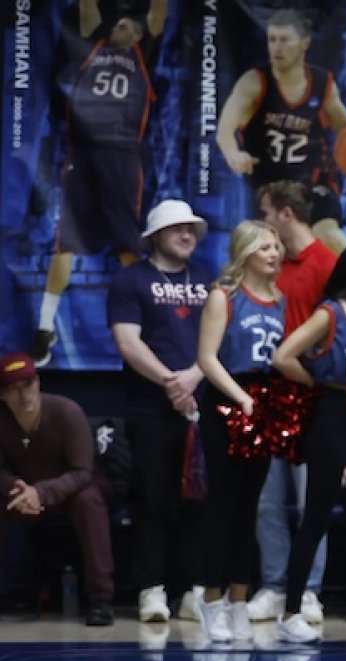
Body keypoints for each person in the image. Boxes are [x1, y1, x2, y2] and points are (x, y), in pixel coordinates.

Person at [33, 0, 168, 365]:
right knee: (65, 245)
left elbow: (158, 11)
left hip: (122, 155)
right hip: (83, 155)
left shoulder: (145, 51)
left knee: (128, 247)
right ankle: (45, 326)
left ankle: (150, 321)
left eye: (129, 28)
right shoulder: (92, 43)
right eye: (121, 26)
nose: (123, 32)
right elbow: (88, 8)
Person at [271, 242, 346, 644]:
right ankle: (290, 611)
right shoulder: (330, 313)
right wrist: (317, 385)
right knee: (317, 515)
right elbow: (284, 356)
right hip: (334, 414)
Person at [107, 199, 213, 624]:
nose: (186, 235)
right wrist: (172, 382)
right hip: (150, 407)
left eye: (191, 229)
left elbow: (219, 342)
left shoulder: (207, 280)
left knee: (199, 503)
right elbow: (128, 342)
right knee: (152, 500)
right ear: (155, 236)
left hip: (201, 408)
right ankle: (151, 591)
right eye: (176, 229)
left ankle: (192, 590)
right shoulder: (131, 280)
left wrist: (192, 377)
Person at [247, 180, 338, 624]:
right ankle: (274, 584)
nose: (262, 223)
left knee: (310, 501)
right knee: (266, 499)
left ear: (285, 213)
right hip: (266, 396)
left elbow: (338, 332)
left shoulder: (328, 264)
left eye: (265, 213)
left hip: (312, 396)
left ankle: (308, 590)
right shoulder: (263, 266)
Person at [194, 220, 287, 643]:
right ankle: (210, 600)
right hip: (227, 399)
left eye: (277, 246)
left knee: (250, 504)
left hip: (264, 402)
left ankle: (237, 600)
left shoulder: (279, 300)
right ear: (245, 251)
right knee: (223, 504)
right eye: (265, 246)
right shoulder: (224, 295)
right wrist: (241, 398)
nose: (275, 253)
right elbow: (208, 359)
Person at [216, 10, 346, 254]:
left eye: (284, 39)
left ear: (305, 43)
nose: (276, 47)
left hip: (314, 183)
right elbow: (224, 131)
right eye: (272, 39)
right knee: (275, 255)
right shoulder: (254, 82)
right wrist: (233, 153)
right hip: (269, 189)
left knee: (329, 235)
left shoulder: (323, 83)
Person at [0, 354, 115, 625]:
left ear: (38, 383)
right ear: (2, 395)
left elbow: (83, 471)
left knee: (88, 500)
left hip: (73, 490)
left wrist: (41, 491)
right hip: (25, 495)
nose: (23, 394)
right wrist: (13, 486)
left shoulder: (66, 412)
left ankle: (101, 598)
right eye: (13, 388)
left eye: (28, 384)